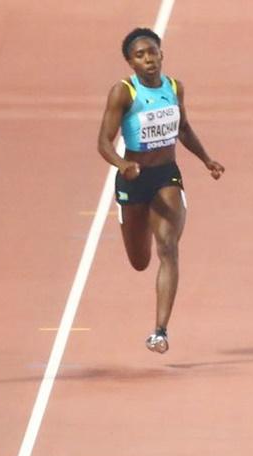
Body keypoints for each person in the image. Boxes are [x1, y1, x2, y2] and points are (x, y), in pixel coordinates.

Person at [98, 28, 224, 354]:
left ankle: (160, 331)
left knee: (167, 246)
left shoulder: (174, 88)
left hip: (166, 175)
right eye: (140, 55)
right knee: (140, 261)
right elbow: (103, 142)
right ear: (130, 61)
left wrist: (207, 159)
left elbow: (183, 128)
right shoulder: (123, 93)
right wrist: (122, 165)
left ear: (161, 53)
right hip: (132, 179)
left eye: (152, 52)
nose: (148, 60)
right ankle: (129, 221)